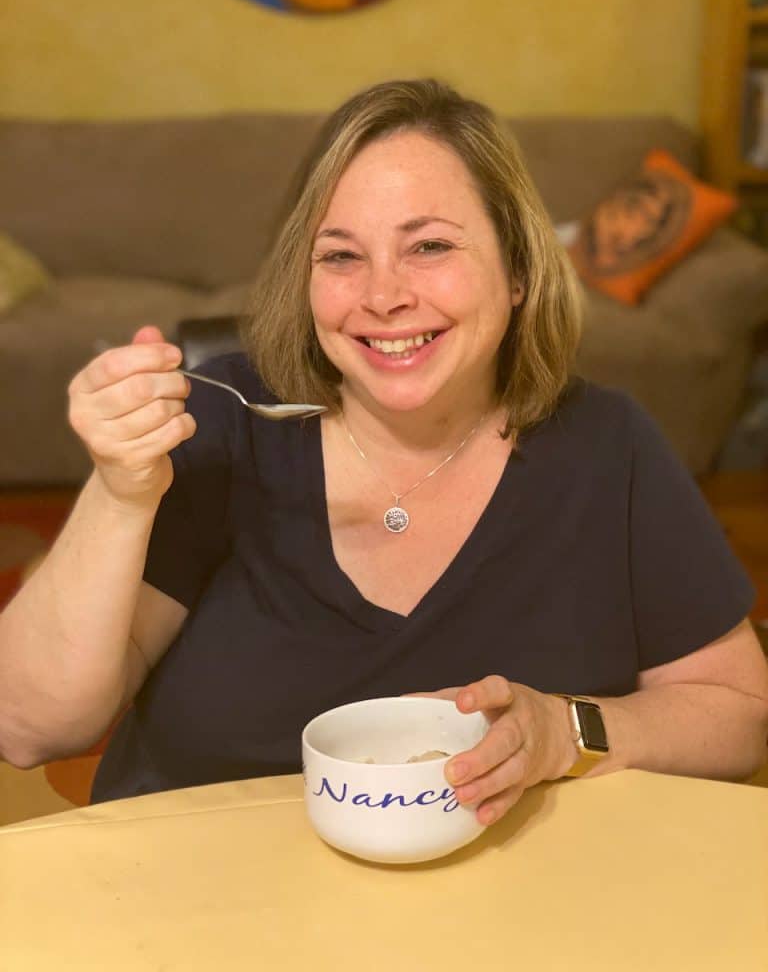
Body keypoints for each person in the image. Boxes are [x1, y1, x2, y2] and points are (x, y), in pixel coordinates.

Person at [1, 80, 767, 823]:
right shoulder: (221, 427)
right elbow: (28, 726)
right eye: (340, 257)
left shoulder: (608, 446)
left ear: (521, 273)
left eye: (429, 245)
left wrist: (567, 732)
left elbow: (737, 712)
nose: (383, 296)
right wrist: (119, 489)